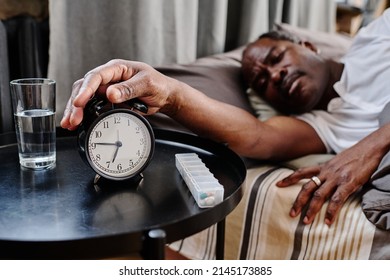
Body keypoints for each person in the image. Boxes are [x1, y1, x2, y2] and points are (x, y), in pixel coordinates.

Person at [61, 9, 390, 228]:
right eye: (263, 84)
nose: (275, 76)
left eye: (276, 58)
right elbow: (256, 136)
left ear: (309, 46)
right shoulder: (326, 125)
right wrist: (171, 93)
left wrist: (374, 143)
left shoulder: (376, 40)